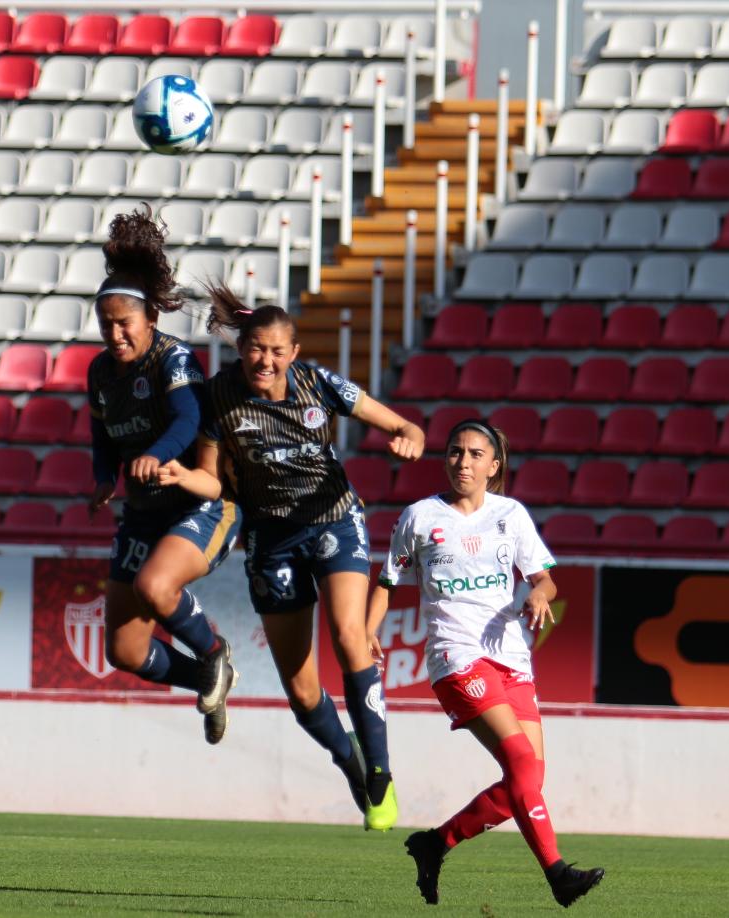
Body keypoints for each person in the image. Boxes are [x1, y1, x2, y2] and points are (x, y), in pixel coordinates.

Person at [156, 292, 425, 831]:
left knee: (350, 636)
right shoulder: (220, 397)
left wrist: (410, 438)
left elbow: (404, 427)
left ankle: (380, 771)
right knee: (302, 692)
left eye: (278, 351)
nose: (266, 361)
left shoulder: (318, 383)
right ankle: (350, 762)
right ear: (241, 348)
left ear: (294, 352)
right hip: (271, 538)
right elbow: (212, 478)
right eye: (257, 349)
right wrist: (185, 477)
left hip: (333, 520)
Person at [367, 419, 604, 907]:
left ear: (493, 466)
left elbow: (546, 579)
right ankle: (558, 875)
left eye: (476, 454)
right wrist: (367, 630)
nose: (463, 462)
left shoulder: (510, 515)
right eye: (456, 452)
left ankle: (435, 843)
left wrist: (539, 593)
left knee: (528, 780)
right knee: (521, 763)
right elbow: (387, 582)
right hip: (455, 655)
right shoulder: (419, 517)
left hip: (510, 655)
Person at [87, 206, 240, 744]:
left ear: (150, 318)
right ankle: (207, 678)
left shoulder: (174, 360)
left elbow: (187, 420)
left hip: (199, 503)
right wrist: (103, 475)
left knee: (155, 586)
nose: (114, 333)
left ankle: (215, 652)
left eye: (123, 323)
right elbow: (101, 431)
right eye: (106, 324)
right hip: (143, 512)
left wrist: (155, 455)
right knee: (124, 651)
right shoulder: (100, 371)